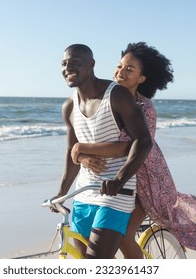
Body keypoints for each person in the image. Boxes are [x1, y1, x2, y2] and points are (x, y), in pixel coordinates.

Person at [71, 42, 196, 258]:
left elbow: (127, 148)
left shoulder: (145, 109)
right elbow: (96, 138)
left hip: (145, 182)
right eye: (119, 66)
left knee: (123, 235)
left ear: (142, 78)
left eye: (129, 69)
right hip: (111, 180)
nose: (120, 72)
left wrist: (81, 148)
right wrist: (84, 157)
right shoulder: (107, 100)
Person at [53, 44, 152, 259]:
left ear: (91, 64)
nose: (68, 67)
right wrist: (61, 193)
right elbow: (72, 151)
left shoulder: (116, 95)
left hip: (115, 194)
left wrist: (119, 179)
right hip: (83, 192)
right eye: (64, 64)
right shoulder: (69, 106)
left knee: (95, 262)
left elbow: (143, 140)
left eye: (75, 62)